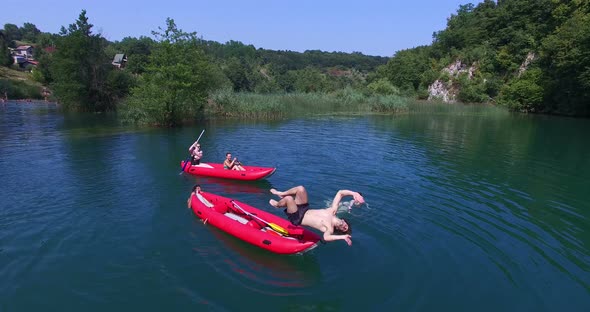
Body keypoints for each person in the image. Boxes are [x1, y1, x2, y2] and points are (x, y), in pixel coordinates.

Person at [269, 185, 364, 246]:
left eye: (344, 230)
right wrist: (354, 193)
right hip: (304, 209)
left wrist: (342, 237)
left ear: (339, 230)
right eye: (346, 226)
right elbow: (340, 193)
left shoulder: (329, 228)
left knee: (289, 199)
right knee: (301, 189)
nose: (344, 227)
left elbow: (326, 237)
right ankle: (281, 194)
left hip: (298, 217)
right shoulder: (332, 210)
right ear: (344, 221)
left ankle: (277, 205)